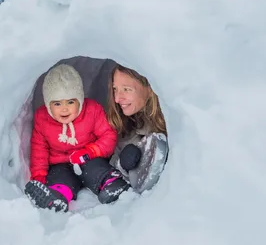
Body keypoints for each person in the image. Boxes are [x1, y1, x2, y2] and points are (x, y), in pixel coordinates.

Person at [24, 64, 129, 212]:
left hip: (88, 158)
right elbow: (39, 149)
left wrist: (90, 152)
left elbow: (108, 135)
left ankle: (111, 183)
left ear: (80, 99)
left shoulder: (92, 110)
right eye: (57, 103)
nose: (64, 108)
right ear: (48, 104)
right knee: (60, 178)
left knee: (95, 169)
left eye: (70, 102)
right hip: (60, 164)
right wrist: (39, 176)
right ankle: (57, 197)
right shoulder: (42, 118)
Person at [107, 64, 169, 194]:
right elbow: (114, 162)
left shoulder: (170, 123)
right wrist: (122, 165)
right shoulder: (127, 121)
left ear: (150, 87)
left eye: (126, 89)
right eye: (115, 89)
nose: (117, 98)